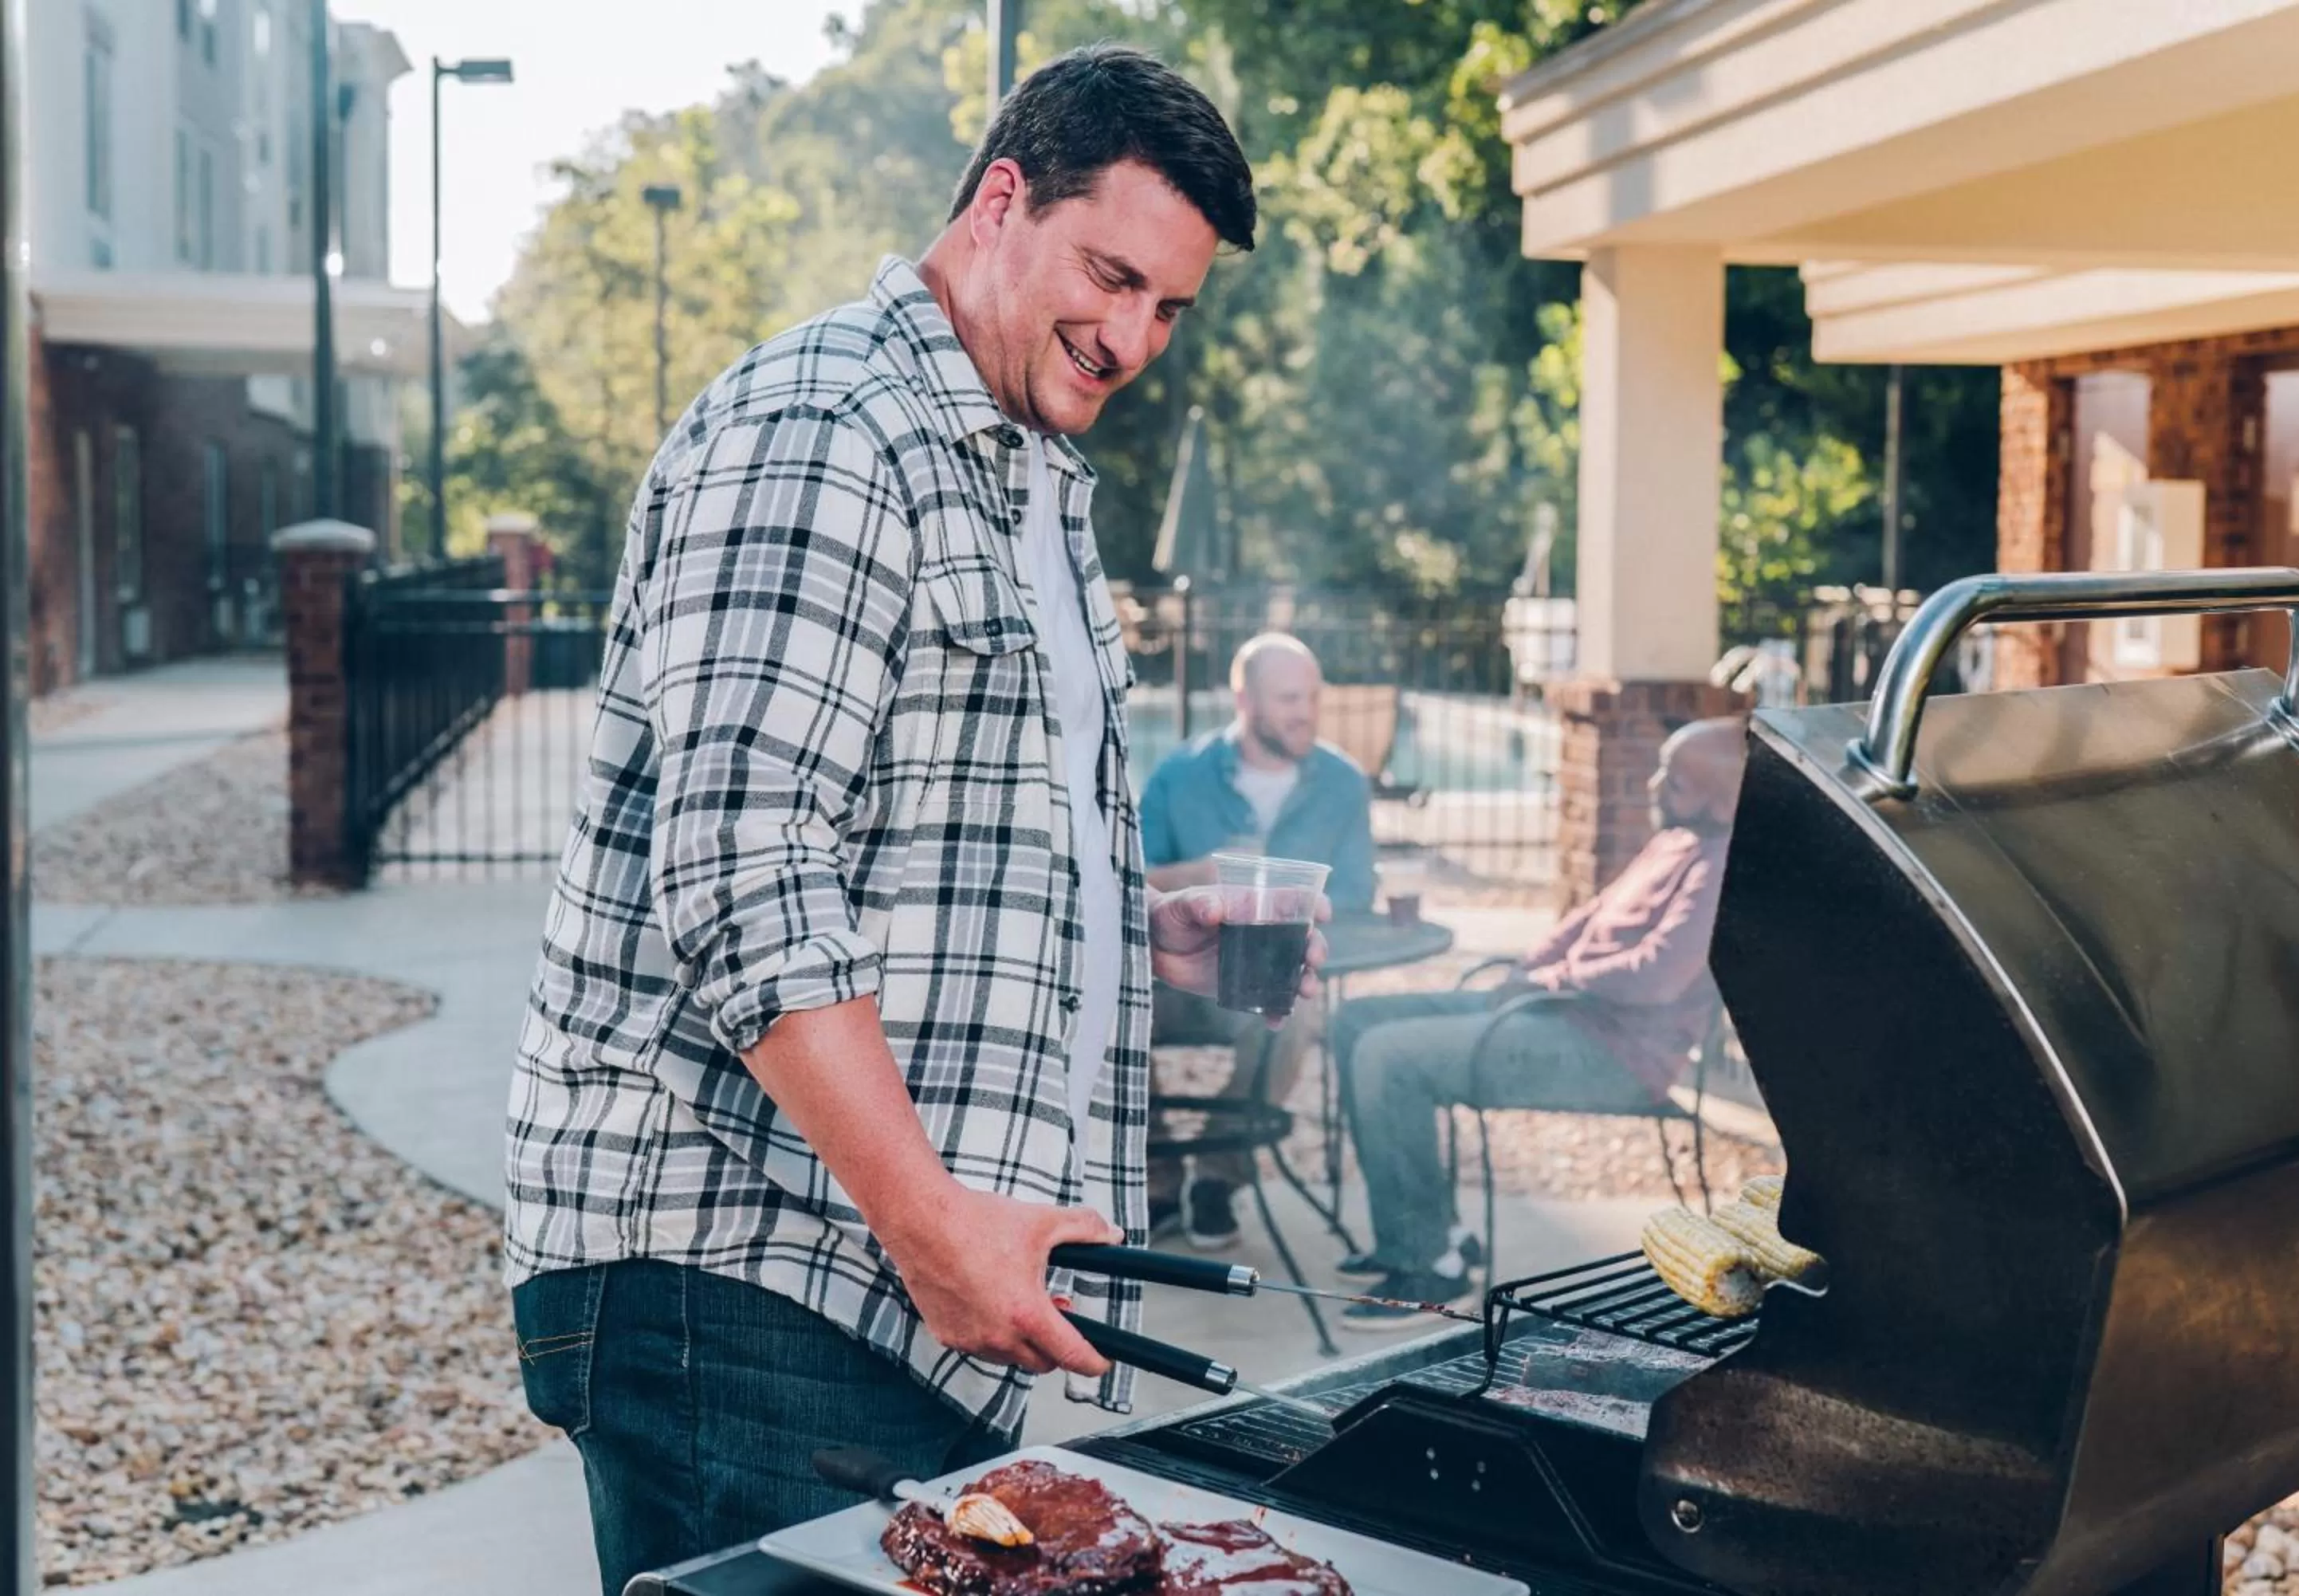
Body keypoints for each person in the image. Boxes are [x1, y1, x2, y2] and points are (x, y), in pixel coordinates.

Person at [503, 49, 1313, 1593]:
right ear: (1002, 199)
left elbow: (925, 857)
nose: (1135, 337)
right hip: (744, 1274)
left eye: (1170, 309)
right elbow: (741, 877)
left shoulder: (1031, 482)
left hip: (873, 1296)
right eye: (1113, 275)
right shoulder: (833, 428)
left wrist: (1138, 931)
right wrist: (933, 1225)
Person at [1330, 718, 1747, 1330]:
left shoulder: (1720, 866)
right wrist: (1529, 971)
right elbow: (1585, 920)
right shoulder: (1675, 841)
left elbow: (1655, 976)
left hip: (1617, 1057)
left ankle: (1429, 1268)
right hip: (1559, 1016)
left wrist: (1550, 981)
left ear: (1719, 797)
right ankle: (1425, 1232)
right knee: (1356, 1020)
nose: (1655, 784)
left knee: (1390, 1058)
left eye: (1676, 780)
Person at [1138, 633, 1375, 1248]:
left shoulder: (1344, 784)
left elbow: (1353, 894)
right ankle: (1156, 1177)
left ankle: (1218, 1178)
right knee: (1111, 1001)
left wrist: (1290, 904)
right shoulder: (1179, 776)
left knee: (1294, 1013)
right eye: (1289, 697)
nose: (1305, 711)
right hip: (1174, 973)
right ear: (1244, 698)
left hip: (1263, 981)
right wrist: (1196, 877)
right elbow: (1126, 881)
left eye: (1312, 697)